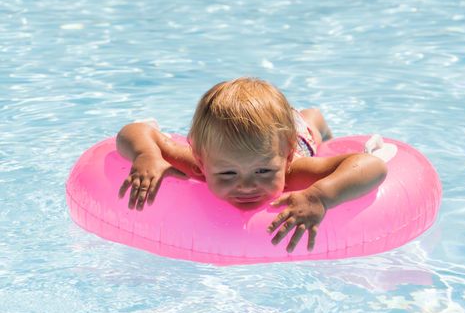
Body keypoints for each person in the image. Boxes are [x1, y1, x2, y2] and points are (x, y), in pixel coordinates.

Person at [116, 77, 387, 253]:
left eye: (264, 171)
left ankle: (313, 118)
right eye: (227, 173)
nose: (246, 185)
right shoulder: (197, 163)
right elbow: (134, 130)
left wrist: (320, 195)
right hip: (271, 142)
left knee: (308, 123)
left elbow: (372, 166)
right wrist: (146, 155)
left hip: (299, 136)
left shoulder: (295, 172)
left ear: (286, 158)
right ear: (200, 161)